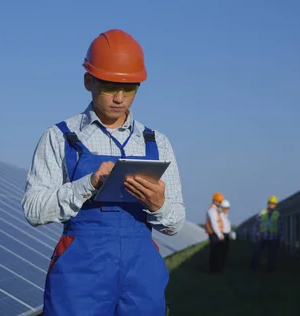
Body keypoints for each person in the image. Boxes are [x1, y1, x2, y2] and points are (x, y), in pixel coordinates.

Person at [21, 29, 186, 316]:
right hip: (80, 277)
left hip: (141, 274)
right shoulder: (60, 137)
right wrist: (87, 184)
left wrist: (159, 205)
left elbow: (175, 223)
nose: (120, 98)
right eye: (110, 86)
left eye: (130, 88)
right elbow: (33, 210)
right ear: (89, 81)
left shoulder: (158, 143)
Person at [251, 195, 284, 273]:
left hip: (273, 237)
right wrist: (257, 234)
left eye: (273, 204)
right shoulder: (261, 213)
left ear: (275, 205)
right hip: (262, 237)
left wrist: (281, 238)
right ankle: (253, 267)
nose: (272, 205)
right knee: (257, 252)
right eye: (270, 203)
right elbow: (256, 225)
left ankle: (270, 269)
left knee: (272, 254)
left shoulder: (278, 215)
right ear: (268, 203)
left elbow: (281, 227)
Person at [205, 192, 225, 273]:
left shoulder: (215, 210)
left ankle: (215, 269)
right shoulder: (212, 211)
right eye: (219, 202)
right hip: (214, 234)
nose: (220, 204)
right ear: (215, 201)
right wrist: (220, 234)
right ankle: (214, 270)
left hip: (215, 234)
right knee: (214, 253)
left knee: (216, 252)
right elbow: (214, 224)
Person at [220, 199, 232, 269]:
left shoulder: (226, 216)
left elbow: (228, 226)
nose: (227, 210)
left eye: (228, 208)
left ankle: (222, 264)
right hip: (222, 235)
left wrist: (229, 234)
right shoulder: (220, 216)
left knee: (225, 251)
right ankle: (220, 265)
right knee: (222, 251)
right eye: (226, 208)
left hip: (226, 235)